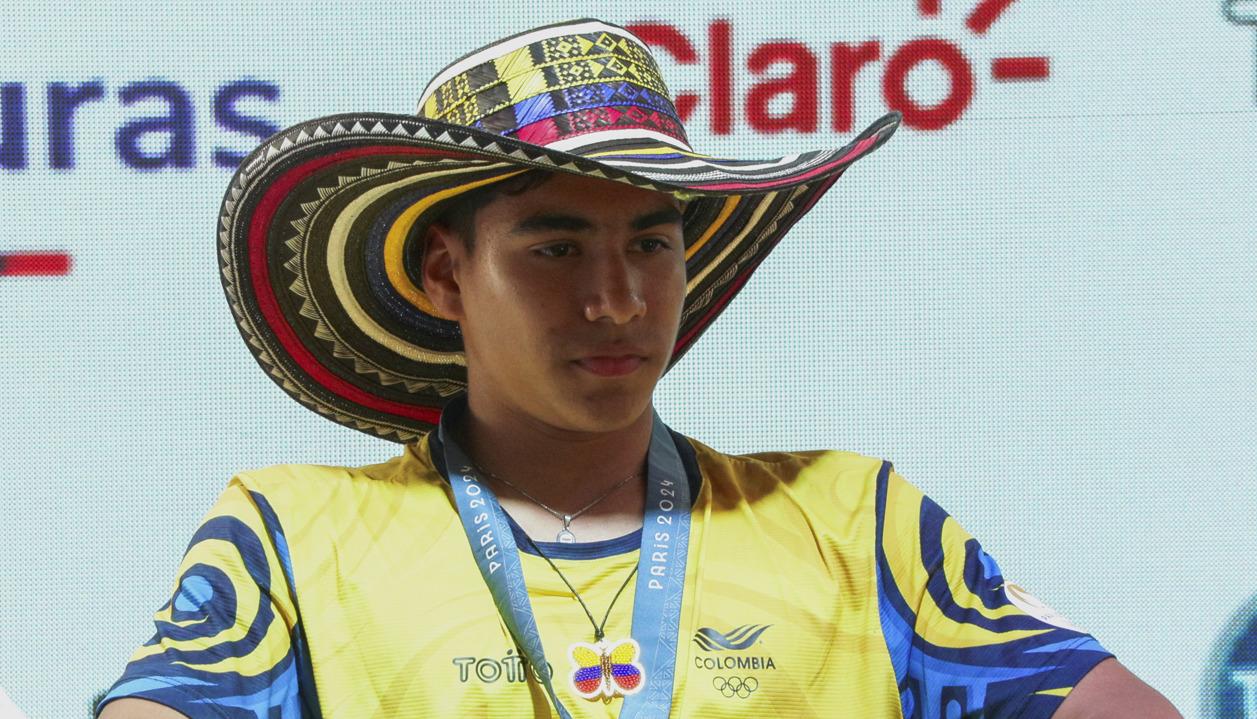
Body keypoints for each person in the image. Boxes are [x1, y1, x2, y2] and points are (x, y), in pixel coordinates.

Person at [97, 18, 1180, 719]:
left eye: (651, 244)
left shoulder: (857, 517)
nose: (617, 299)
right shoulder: (289, 531)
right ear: (444, 272)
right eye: (556, 247)